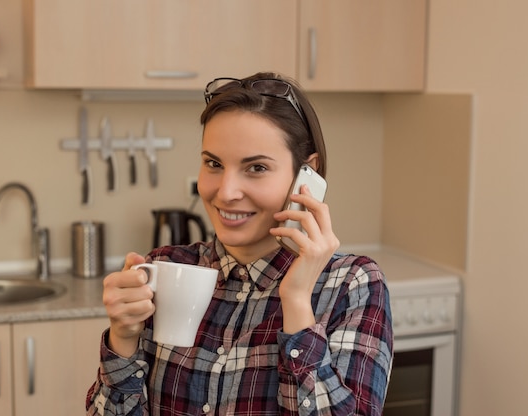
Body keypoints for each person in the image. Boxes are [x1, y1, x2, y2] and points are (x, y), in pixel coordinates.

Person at [86, 72, 393, 415]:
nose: (227, 192)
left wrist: (296, 303)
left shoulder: (353, 284)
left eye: (257, 167)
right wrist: (122, 341)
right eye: (214, 164)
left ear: (307, 173)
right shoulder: (165, 269)